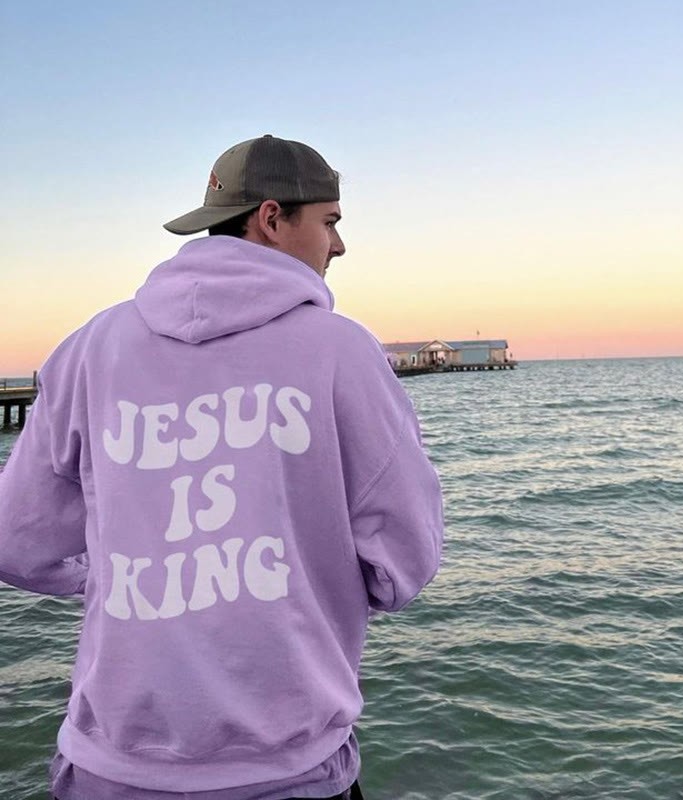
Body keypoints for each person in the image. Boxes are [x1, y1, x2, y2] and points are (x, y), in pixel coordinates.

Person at [0, 135, 444, 800]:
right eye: (329, 222)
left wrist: (126, 578)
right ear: (272, 218)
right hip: (288, 773)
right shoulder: (341, 351)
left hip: (108, 771)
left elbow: (15, 541)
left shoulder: (91, 348)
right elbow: (405, 559)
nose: (339, 245)